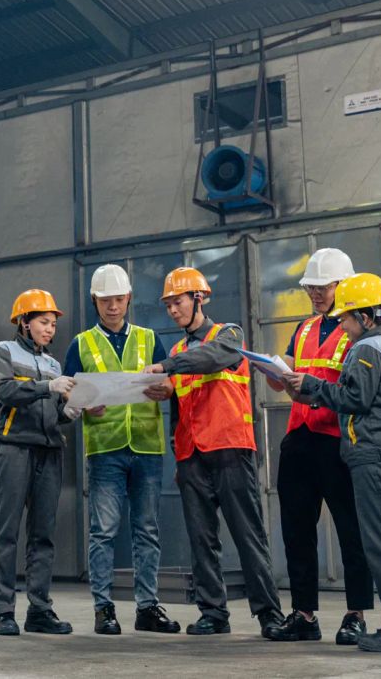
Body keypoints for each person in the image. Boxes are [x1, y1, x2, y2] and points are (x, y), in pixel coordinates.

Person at [285, 273, 381, 654]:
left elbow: (355, 399)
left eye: (346, 318)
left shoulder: (366, 350)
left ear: (366, 317)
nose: (342, 326)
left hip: (376, 458)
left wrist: (311, 387)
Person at [142, 267, 284, 638]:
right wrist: (164, 397)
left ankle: (269, 612)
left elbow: (209, 359)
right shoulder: (175, 351)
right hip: (192, 455)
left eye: (179, 302)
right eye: (169, 304)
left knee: (247, 533)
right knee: (202, 537)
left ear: (199, 299)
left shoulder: (228, 336)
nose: (173, 310)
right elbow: (178, 405)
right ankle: (213, 612)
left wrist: (167, 367)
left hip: (230, 448)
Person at [62, 264, 180, 636]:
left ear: (128, 298)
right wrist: (82, 404)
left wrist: (168, 390)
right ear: (94, 301)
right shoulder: (81, 344)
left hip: (146, 445)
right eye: (105, 300)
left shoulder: (149, 338)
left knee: (147, 530)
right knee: (104, 531)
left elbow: (170, 383)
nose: (112, 307)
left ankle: (147, 607)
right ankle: (103, 608)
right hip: (105, 448)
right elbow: (68, 390)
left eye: (118, 299)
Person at [265, 248, 373, 645]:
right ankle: (304, 614)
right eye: (310, 286)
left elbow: (356, 389)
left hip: (339, 440)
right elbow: (290, 373)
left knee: (351, 530)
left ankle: (356, 614)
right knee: (295, 530)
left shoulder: (357, 330)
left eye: (321, 286)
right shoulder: (305, 327)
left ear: (342, 286)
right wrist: (277, 376)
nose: (314, 293)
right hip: (300, 437)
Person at [0, 288, 76, 637]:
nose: (50, 329)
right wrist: (48, 387)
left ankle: (39, 610)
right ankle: (4, 611)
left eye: (53, 323)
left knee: (43, 535)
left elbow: (53, 411)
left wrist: (71, 408)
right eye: (43, 321)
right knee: (5, 532)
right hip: (12, 449)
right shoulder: (3, 352)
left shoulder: (53, 364)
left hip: (49, 450)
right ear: (23, 322)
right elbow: (6, 392)